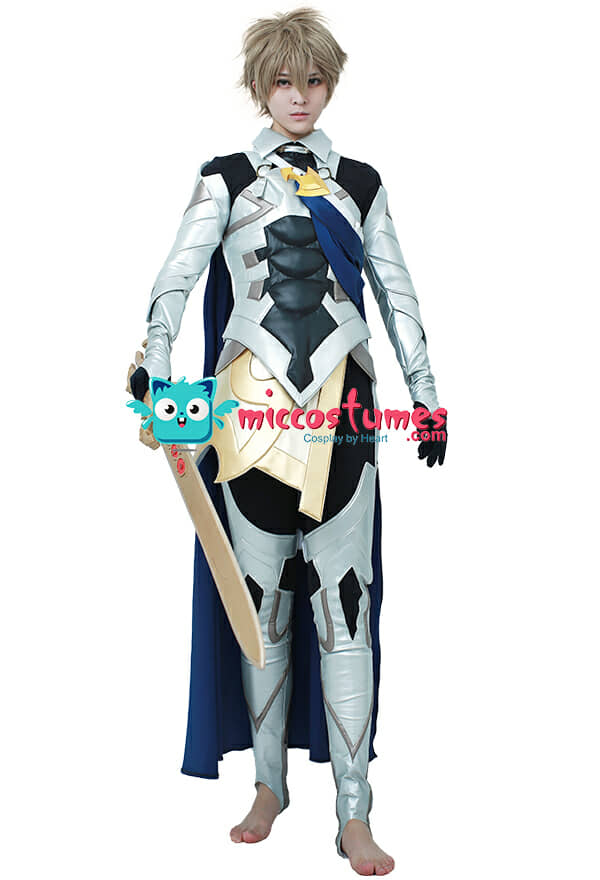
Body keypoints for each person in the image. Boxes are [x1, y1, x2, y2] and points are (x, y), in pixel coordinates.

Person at [129, 8, 446, 875]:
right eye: (282, 81)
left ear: (329, 85)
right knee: (259, 610)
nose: (299, 97)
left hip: (344, 416)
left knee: (347, 613)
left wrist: (426, 396)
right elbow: (175, 280)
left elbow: (397, 291)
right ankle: (268, 787)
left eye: (312, 81)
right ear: (259, 87)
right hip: (248, 418)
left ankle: (354, 812)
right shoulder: (225, 180)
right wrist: (156, 366)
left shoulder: (361, 184)